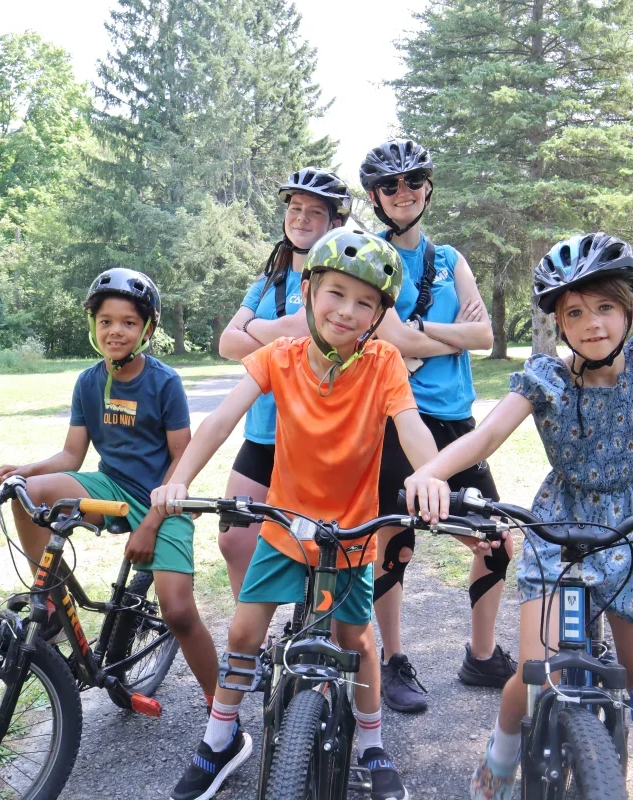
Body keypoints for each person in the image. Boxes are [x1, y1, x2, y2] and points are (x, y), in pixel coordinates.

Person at [403, 232, 633, 800]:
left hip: (628, 525)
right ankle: (501, 755)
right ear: (559, 325)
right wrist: (431, 473)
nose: (593, 323)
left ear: (629, 312)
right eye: (575, 312)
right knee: (534, 669)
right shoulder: (544, 376)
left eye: (605, 307)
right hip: (557, 525)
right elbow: (489, 433)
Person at [154, 228, 494, 800]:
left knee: (357, 641)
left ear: (380, 315)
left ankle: (371, 742)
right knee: (242, 629)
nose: (348, 311)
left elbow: (411, 427)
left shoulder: (384, 362)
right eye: (336, 292)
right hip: (284, 528)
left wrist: (431, 476)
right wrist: (180, 478)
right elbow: (219, 420)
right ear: (309, 291)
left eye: (366, 303)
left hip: (349, 536)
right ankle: (219, 740)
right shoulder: (279, 357)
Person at [0, 268, 219, 709]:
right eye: (106, 321)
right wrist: (24, 469)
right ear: (93, 325)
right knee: (31, 492)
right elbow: (72, 455)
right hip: (110, 484)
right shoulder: (88, 381)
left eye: (129, 322)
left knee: (178, 611)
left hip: (162, 495)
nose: (116, 331)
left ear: (147, 328)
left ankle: (221, 710)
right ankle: (53, 605)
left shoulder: (164, 382)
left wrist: (154, 521)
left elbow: (182, 460)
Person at [358, 137, 514, 713]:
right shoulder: (370, 256)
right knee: (396, 538)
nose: (403, 192)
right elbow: (391, 339)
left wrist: (424, 333)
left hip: (457, 421)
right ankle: (394, 659)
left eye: (413, 181)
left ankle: (481, 655)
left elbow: (485, 336)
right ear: (375, 196)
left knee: (496, 538)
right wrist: (446, 333)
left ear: (428, 188)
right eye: (390, 185)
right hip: (398, 418)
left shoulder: (451, 259)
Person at [216, 167, 351, 596]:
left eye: (315, 211)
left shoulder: (337, 281)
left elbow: (306, 331)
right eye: (295, 209)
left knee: (319, 547)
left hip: (314, 437)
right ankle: (253, 644)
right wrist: (281, 329)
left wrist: (255, 327)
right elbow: (226, 343)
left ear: (335, 223)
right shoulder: (267, 281)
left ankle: (318, 644)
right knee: (235, 539)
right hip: (262, 432)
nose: (302, 218)